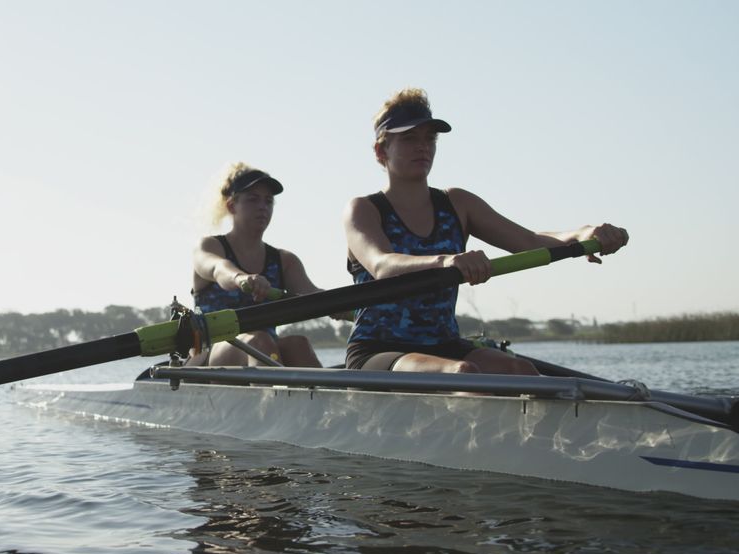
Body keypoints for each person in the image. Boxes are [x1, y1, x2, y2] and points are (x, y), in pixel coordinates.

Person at [344, 88, 629, 374]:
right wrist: (446, 261)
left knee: (523, 371)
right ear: (381, 151)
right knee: (463, 373)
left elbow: (528, 241)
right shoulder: (363, 210)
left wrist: (581, 234)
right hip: (377, 350)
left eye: (429, 138)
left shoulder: (457, 203)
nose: (423, 147)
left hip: (444, 344)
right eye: (409, 139)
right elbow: (382, 263)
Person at [190, 162, 324, 367]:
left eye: (268, 201)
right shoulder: (209, 246)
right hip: (210, 354)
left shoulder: (285, 261)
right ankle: (272, 393)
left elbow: (313, 296)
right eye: (253, 199)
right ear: (232, 206)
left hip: (266, 351)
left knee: (299, 344)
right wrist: (241, 278)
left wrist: (349, 304)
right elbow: (219, 269)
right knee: (258, 341)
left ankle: (322, 398)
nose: (262, 207)